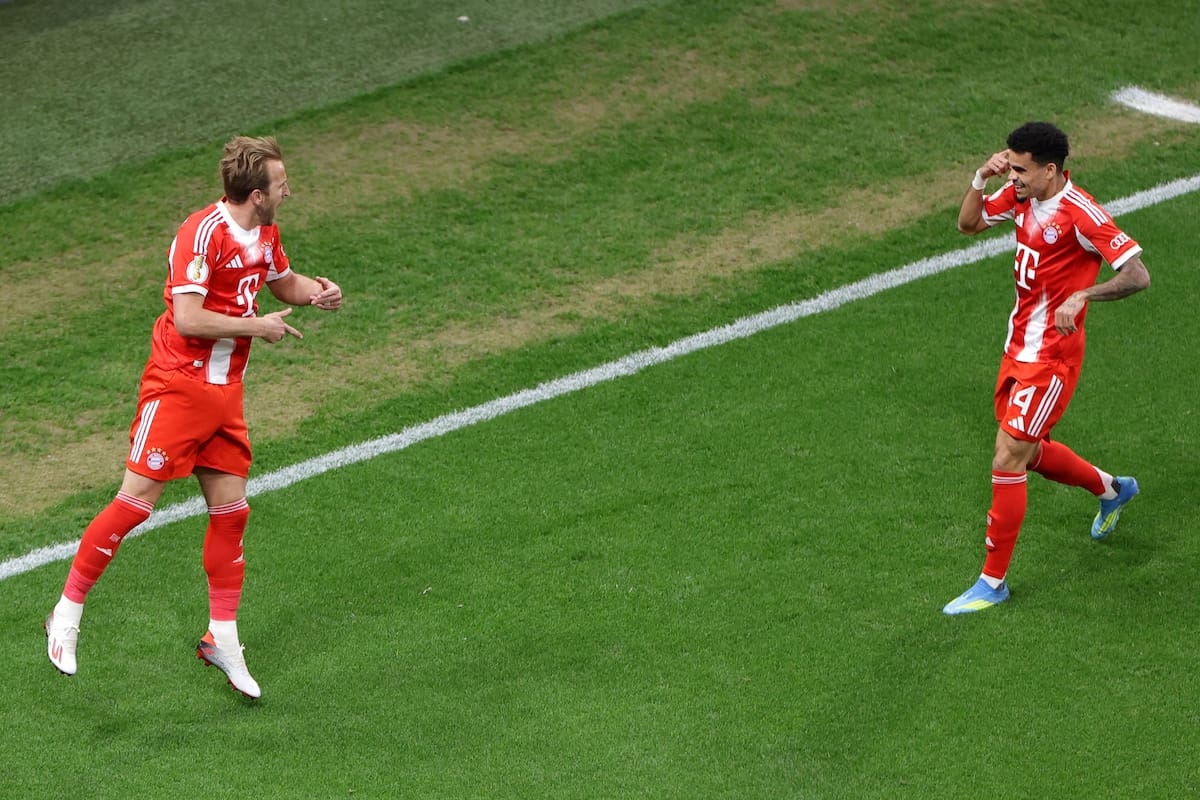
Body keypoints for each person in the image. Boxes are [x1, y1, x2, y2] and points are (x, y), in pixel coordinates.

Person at [44, 135, 343, 695]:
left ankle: (222, 640)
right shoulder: (201, 233)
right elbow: (187, 318)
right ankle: (65, 614)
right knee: (134, 505)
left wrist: (316, 293)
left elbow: (280, 282)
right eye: (282, 184)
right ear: (257, 194)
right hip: (178, 389)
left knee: (231, 514)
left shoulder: (265, 231)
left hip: (225, 395)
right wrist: (260, 326)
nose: (289, 190)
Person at [943, 121, 1150, 615]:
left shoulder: (1081, 214)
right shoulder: (1019, 197)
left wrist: (1084, 293)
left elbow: (1137, 274)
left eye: (1019, 169)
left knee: (1008, 454)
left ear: (1050, 170)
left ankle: (993, 581)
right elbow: (967, 225)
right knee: (1029, 452)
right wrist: (980, 178)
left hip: (1053, 359)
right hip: (1016, 349)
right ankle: (1113, 489)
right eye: (1008, 166)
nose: (1011, 175)